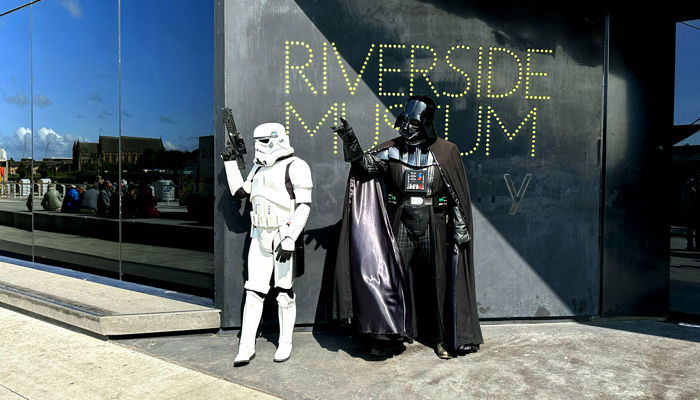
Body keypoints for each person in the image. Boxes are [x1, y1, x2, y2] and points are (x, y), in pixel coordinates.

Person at [333, 95, 483, 359]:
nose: (407, 129)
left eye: (414, 124)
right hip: (401, 220)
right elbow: (365, 166)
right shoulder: (392, 149)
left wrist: (460, 225)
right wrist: (351, 141)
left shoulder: (446, 152)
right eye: (405, 123)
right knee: (390, 279)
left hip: (433, 222)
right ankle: (390, 337)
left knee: (439, 282)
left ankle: (441, 338)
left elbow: (455, 194)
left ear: (425, 123)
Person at [222, 122, 313, 366]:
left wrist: (290, 238)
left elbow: (304, 204)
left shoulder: (296, 166)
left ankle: (285, 343)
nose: (258, 147)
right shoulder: (257, 168)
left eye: (263, 141)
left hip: (282, 233)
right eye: (256, 141)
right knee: (253, 290)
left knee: (283, 291)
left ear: (277, 139)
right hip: (259, 234)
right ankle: (246, 346)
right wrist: (231, 163)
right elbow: (240, 192)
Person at [682, 171, 700, 250]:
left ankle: (698, 244)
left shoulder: (697, 184)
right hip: (692, 209)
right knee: (691, 227)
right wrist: (689, 206)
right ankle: (690, 244)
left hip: (697, 209)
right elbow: (685, 196)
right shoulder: (690, 183)